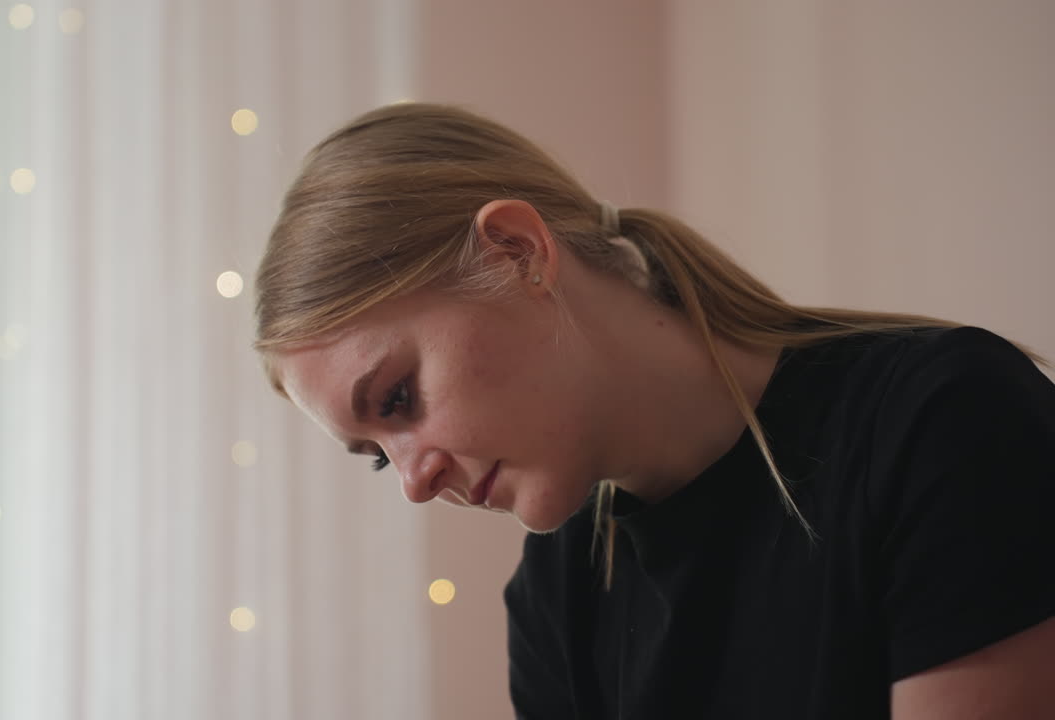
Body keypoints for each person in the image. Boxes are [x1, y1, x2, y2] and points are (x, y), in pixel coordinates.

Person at [253, 102, 1055, 719]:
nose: (415, 483)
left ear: (518, 253)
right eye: (378, 454)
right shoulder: (555, 594)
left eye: (398, 398)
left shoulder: (941, 421)